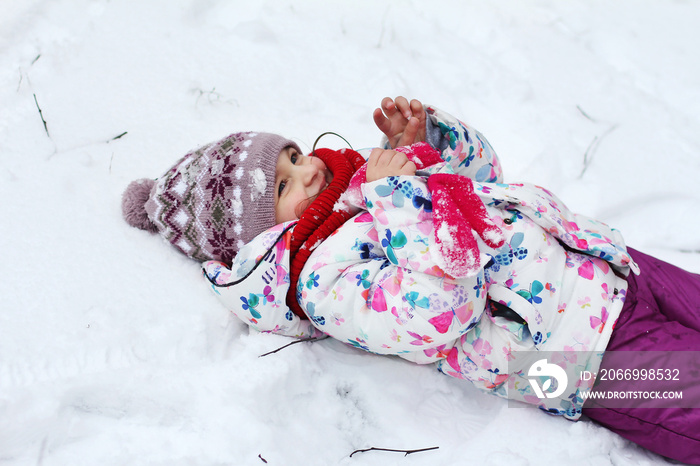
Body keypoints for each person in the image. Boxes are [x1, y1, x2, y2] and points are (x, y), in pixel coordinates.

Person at [123, 97, 700, 464]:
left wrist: (433, 144)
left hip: (607, 261)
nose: (309, 168)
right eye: (282, 185)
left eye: (294, 155)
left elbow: (485, 184)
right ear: (258, 234)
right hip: (569, 359)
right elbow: (439, 313)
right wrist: (401, 195)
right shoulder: (323, 279)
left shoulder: (367, 185)